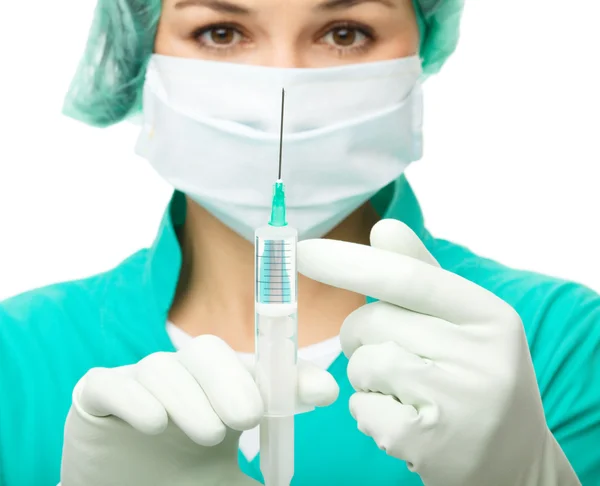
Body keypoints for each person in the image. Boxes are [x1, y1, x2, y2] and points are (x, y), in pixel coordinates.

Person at [0, 0, 598, 484]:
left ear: (420, 50)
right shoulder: (18, 354)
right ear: (141, 55)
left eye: (344, 32)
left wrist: (528, 476)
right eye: (221, 32)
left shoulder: (560, 340)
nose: (281, 84)